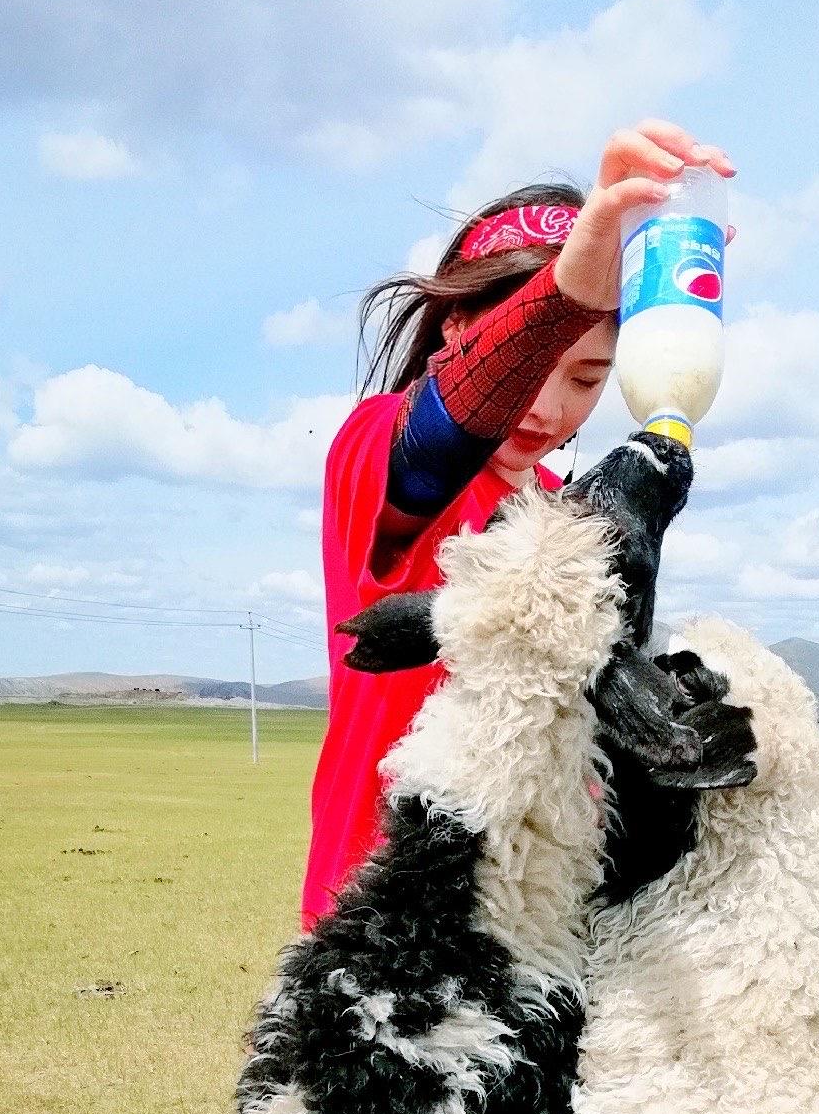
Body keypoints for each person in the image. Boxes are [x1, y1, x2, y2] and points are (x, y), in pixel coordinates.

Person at [301, 120, 735, 927]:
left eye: (587, 376)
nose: (548, 407)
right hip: (379, 912)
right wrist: (573, 282)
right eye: (530, 366)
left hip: (530, 919)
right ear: (456, 331)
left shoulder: (575, 517)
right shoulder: (378, 450)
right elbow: (440, 440)